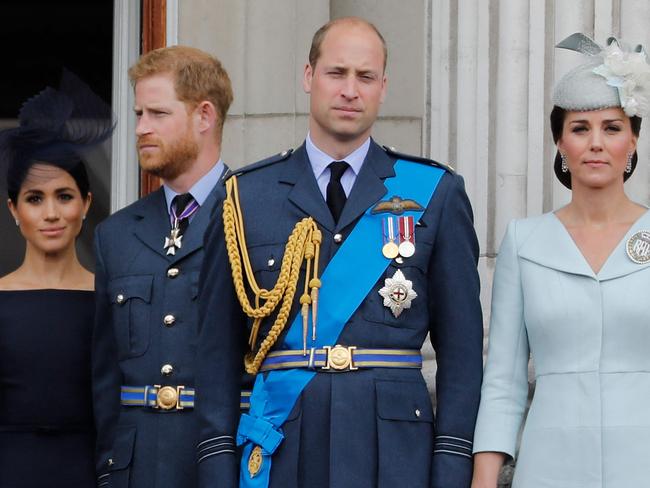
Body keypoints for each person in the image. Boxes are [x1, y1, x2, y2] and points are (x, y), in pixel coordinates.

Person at [196, 17, 483, 488]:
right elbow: (214, 356)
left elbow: (462, 352)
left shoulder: (435, 192)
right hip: (281, 450)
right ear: (309, 77)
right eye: (336, 73)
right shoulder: (246, 197)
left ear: (383, 87)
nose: (351, 90)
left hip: (394, 457)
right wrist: (216, 468)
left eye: (365, 77)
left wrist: (452, 463)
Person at [472, 33, 650, 487]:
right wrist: (483, 479)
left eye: (611, 128)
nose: (595, 143)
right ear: (560, 144)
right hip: (550, 466)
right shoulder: (524, 241)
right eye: (579, 128)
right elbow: (504, 382)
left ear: (632, 140)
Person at [92, 46, 233, 488]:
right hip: (135, 470)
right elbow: (105, 377)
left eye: (157, 113)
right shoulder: (115, 234)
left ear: (204, 116)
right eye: (138, 114)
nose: (140, 129)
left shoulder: (258, 216)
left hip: (223, 463)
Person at [0, 73, 113, 488]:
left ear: (85, 204)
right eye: (35, 198)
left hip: (91, 473)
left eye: (63, 196)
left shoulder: (111, 300)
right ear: (14, 210)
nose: (51, 213)